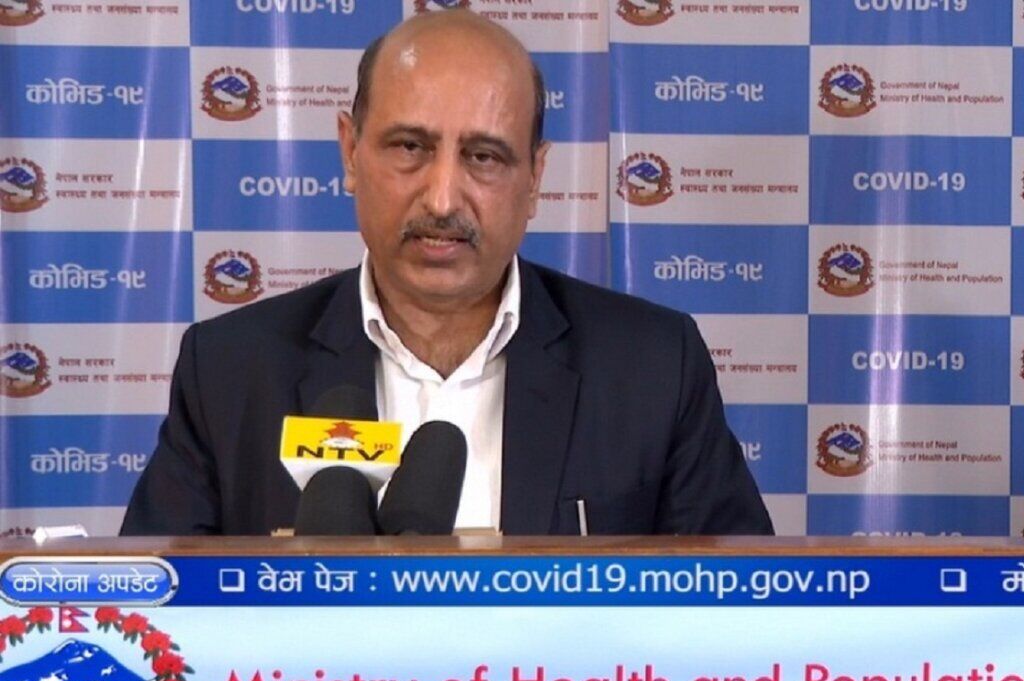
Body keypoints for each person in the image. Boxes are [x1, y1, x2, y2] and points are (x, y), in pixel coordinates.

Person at [121, 10, 772, 536]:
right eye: (410, 146)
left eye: (484, 156)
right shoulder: (231, 370)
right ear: (350, 151)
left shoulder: (652, 367)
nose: (441, 199)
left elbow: (737, 612)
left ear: (535, 177)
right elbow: (156, 612)